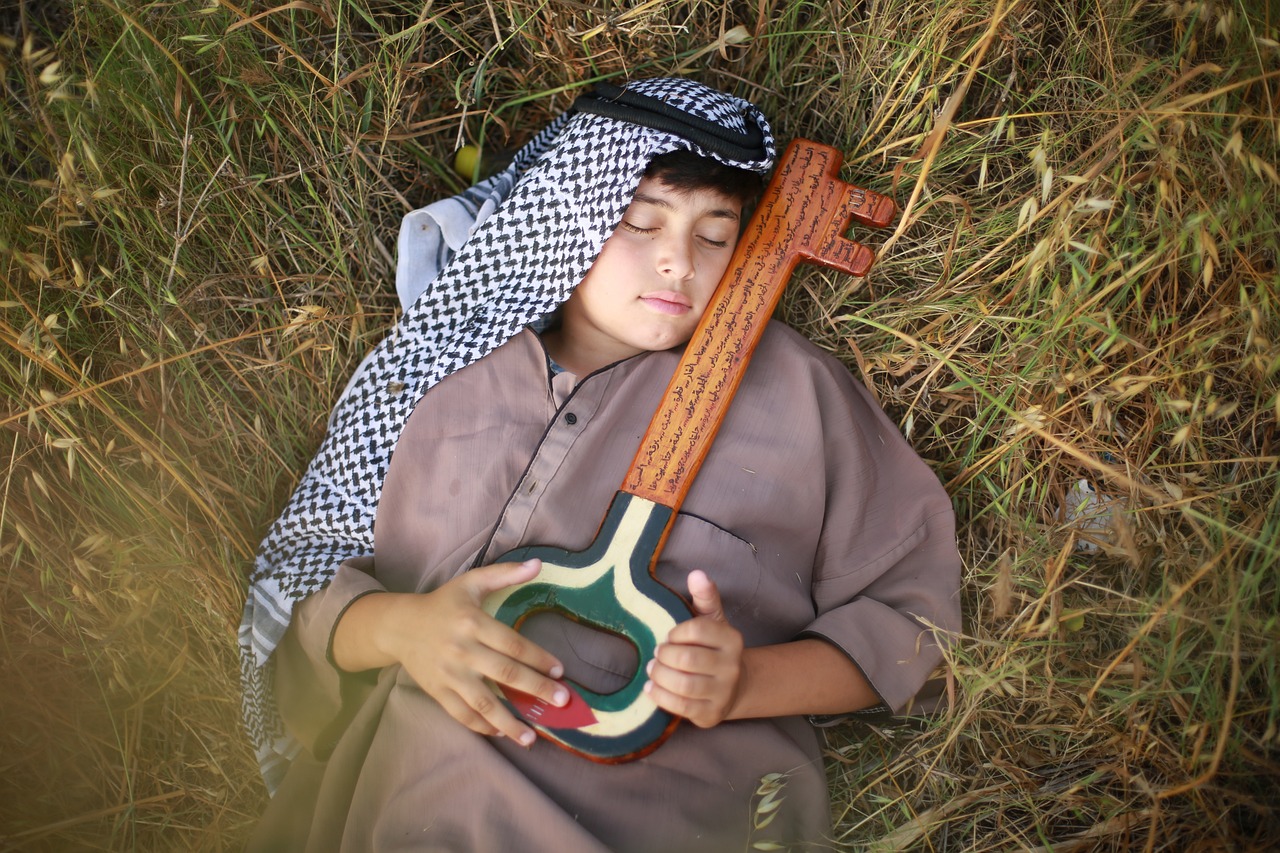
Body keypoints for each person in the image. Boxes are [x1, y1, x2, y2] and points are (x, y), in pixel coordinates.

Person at [240, 77, 961, 852]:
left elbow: (919, 632)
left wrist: (748, 682)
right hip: (393, 805)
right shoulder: (437, 379)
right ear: (567, 219)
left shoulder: (794, 395)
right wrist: (406, 628)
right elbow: (300, 596)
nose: (678, 262)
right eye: (638, 222)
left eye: (715, 234)